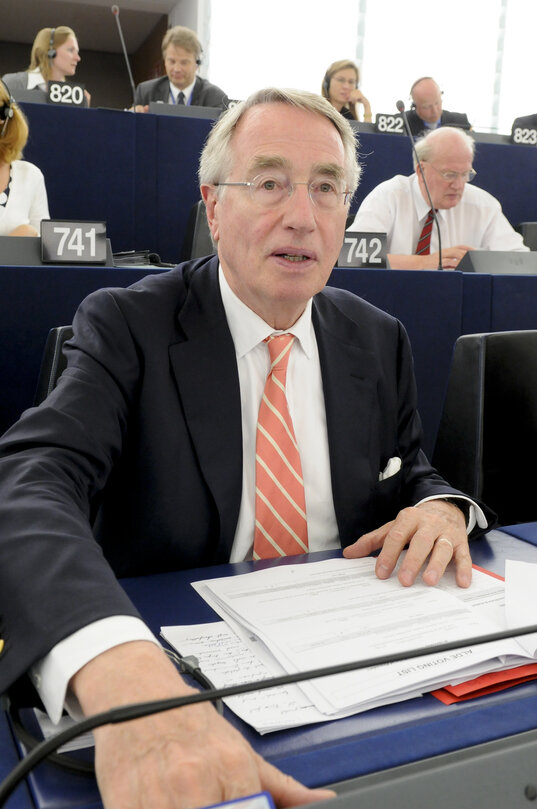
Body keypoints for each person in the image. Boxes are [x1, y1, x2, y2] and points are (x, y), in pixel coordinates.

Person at [0, 88, 492, 809]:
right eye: (268, 183)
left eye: (327, 188)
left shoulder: (376, 335)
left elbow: (408, 468)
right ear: (213, 206)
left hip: (348, 682)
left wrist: (442, 508)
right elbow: (27, 481)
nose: (301, 214)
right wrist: (119, 671)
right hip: (179, 677)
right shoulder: (127, 325)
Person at [348, 126, 528, 269]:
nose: (458, 185)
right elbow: (353, 257)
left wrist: (479, 263)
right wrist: (424, 263)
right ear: (421, 170)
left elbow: (521, 262)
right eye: (449, 174)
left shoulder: (483, 205)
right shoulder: (389, 196)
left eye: (465, 174)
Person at [133, 25, 228, 112]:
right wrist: (132, 117)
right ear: (165, 61)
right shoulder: (145, 92)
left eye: (184, 62)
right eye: (172, 61)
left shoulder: (216, 98)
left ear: (197, 63)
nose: (177, 69)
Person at [0, 79, 49, 237]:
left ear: (4, 116)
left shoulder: (31, 175)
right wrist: (14, 242)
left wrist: (29, 233)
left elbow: (44, 243)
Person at [2, 26, 90, 105]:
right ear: (51, 52)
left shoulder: (75, 97)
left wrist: (84, 111)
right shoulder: (13, 83)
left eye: (77, 52)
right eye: (71, 50)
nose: (78, 58)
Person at [405, 77, 471, 137]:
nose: (435, 111)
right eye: (427, 106)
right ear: (415, 106)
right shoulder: (403, 123)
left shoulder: (461, 122)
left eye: (437, 103)